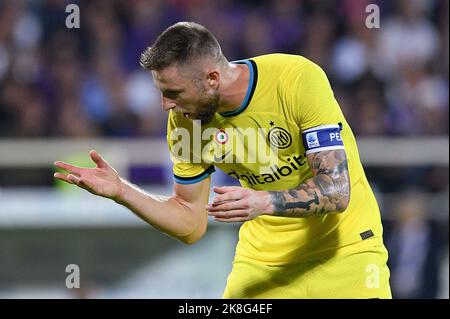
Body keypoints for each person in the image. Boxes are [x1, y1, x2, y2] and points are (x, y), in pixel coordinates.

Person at [54, 22, 391, 298]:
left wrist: (264, 201)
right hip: (263, 262)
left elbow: (336, 189)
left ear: (212, 78)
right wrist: (122, 191)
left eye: (173, 92)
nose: (165, 106)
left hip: (345, 253)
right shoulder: (186, 122)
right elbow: (190, 222)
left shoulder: (297, 79)